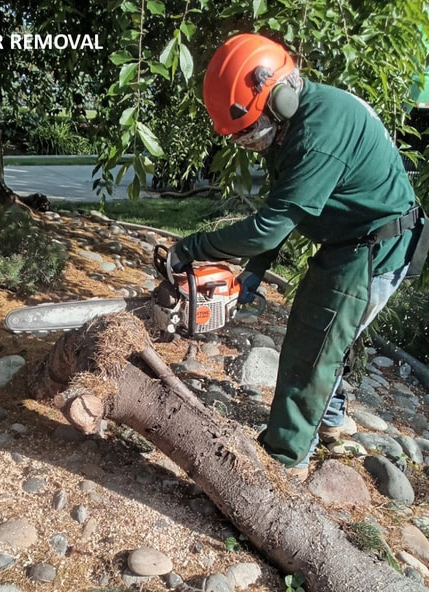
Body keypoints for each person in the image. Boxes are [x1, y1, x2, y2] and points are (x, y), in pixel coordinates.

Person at [168, 32, 428, 480]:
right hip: (349, 238)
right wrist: (254, 272)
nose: (246, 142)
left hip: (376, 245)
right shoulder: (295, 125)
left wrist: (191, 247)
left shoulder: (317, 134)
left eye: (248, 130)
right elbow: (284, 209)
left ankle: (283, 462)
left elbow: (267, 229)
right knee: (324, 334)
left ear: (281, 98)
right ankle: (328, 419)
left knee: (313, 347)